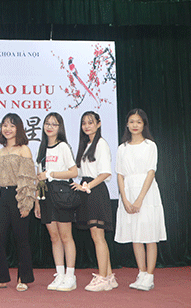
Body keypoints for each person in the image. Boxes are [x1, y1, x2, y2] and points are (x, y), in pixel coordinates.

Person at [0, 113, 37, 291]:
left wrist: (26, 204)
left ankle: (23, 278)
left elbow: (28, 179)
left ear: (18, 128)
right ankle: (0, 279)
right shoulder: (1, 152)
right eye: (4, 125)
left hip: (18, 196)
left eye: (12, 125)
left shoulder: (24, 149)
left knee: (21, 239)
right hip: (3, 198)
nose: (7, 129)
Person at [114, 109, 166, 291]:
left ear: (144, 124)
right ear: (127, 124)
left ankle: (149, 276)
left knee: (150, 236)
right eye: (131, 121)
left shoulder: (150, 146)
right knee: (135, 236)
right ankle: (141, 273)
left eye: (138, 122)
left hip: (147, 193)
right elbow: (120, 174)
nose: (135, 125)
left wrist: (139, 199)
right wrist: (125, 199)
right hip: (128, 192)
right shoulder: (122, 148)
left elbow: (151, 172)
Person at [72, 111, 116, 291]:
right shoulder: (86, 145)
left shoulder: (101, 144)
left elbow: (105, 173)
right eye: (84, 123)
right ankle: (110, 277)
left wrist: (87, 186)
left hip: (96, 192)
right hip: (87, 191)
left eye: (90, 122)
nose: (87, 126)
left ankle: (103, 277)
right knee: (97, 236)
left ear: (99, 124)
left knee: (98, 237)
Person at [34, 112, 79, 291]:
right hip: (46, 195)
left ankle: (70, 275)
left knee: (66, 236)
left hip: (62, 194)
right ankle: (60, 274)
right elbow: (39, 178)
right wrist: (37, 201)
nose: (50, 127)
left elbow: (74, 172)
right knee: (54, 237)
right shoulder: (42, 148)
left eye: (54, 124)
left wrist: (51, 174)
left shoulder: (63, 147)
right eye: (47, 123)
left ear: (60, 128)